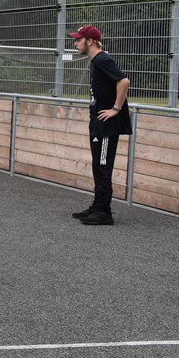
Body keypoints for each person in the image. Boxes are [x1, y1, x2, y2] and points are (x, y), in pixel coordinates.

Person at [69, 25, 131, 226]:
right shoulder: (96, 61)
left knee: (103, 167)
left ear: (90, 41)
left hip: (106, 125)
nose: (75, 43)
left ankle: (104, 212)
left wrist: (115, 109)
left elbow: (124, 82)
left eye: (78, 39)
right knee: (98, 165)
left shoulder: (102, 59)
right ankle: (97, 206)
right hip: (97, 122)